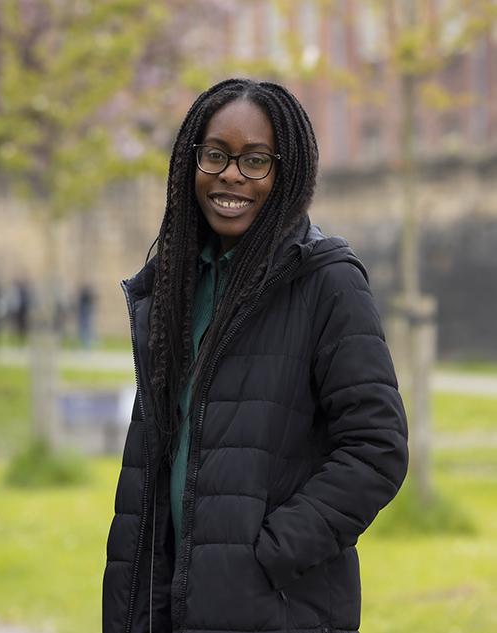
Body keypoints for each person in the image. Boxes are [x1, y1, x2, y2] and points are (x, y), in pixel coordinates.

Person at [103, 78, 408, 633]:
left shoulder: (328, 282)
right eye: (216, 155)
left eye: (255, 161)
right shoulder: (173, 285)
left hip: (276, 608)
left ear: (286, 172)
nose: (231, 176)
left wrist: (267, 554)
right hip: (163, 601)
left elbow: (376, 448)